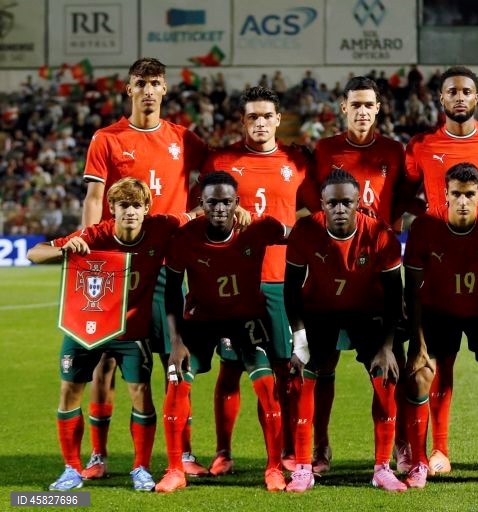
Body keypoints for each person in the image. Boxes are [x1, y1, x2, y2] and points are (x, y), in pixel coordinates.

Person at [79, 57, 209, 479]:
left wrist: (190, 219)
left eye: (155, 83)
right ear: (129, 89)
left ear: (166, 89)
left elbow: (212, 186)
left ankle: (183, 452)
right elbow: (95, 200)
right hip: (118, 267)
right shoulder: (107, 138)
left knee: (177, 357)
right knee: (105, 362)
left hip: (170, 269)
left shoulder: (186, 140)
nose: (149, 90)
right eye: (141, 83)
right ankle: (98, 455)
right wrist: (91, 254)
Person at [29, 178, 194, 492]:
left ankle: (141, 468)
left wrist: (237, 210)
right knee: (69, 392)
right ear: (112, 209)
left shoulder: (161, 227)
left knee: (141, 394)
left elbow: (194, 214)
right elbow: (34, 253)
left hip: (132, 330)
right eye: (123, 206)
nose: (130, 212)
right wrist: (64, 248)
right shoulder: (95, 235)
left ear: (147, 208)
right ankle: (71, 469)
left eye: (136, 205)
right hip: (86, 327)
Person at [404, 65, 478, 474]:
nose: (459, 97)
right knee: (442, 363)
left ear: (477, 97)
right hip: (440, 263)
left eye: (466, 91)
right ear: (440, 98)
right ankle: (438, 450)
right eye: (451, 91)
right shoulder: (422, 145)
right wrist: (434, 222)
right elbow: (402, 196)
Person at [199, 86, 316, 476]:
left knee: (287, 368)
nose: (260, 123)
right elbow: (204, 212)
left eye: (267, 116)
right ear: (243, 120)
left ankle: (284, 449)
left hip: (281, 281)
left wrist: (290, 228)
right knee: (230, 366)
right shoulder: (223, 160)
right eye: (253, 116)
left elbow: (315, 208)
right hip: (236, 282)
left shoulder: (297, 161)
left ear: (278, 120)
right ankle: (223, 451)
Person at [155, 171, 288, 493]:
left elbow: (301, 235)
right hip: (200, 320)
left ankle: (273, 468)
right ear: (201, 203)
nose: (219, 208)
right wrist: (175, 342)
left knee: (267, 385)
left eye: (226, 202)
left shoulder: (259, 227)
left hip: (245, 320)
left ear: (237, 204)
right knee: (176, 381)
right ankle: (175, 469)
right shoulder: (185, 238)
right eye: (212, 201)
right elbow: (172, 291)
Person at [283, 170, 405, 493]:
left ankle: (382, 467)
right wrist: (300, 341)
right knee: (303, 380)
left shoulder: (379, 234)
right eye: (332, 202)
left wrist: (388, 347)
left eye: (346, 202)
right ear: (321, 204)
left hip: (368, 313)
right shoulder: (305, 232)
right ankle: (304, 467)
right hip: (320, 313)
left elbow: (395, 296)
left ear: (359, 204)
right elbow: (291, 291)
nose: (339, 208)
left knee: (386, 378)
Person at [312, 76, 410, 473]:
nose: (363, 111)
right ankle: (319, 445)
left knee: (389, 366)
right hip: (331, 276)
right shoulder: (324, 150)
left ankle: (399, 444)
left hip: (376, 276)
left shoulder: (394, 151)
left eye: (369, 105)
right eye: (356, 105)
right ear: (344, 107)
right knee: (322, 367)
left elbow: (401, 202)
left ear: (378, 108)